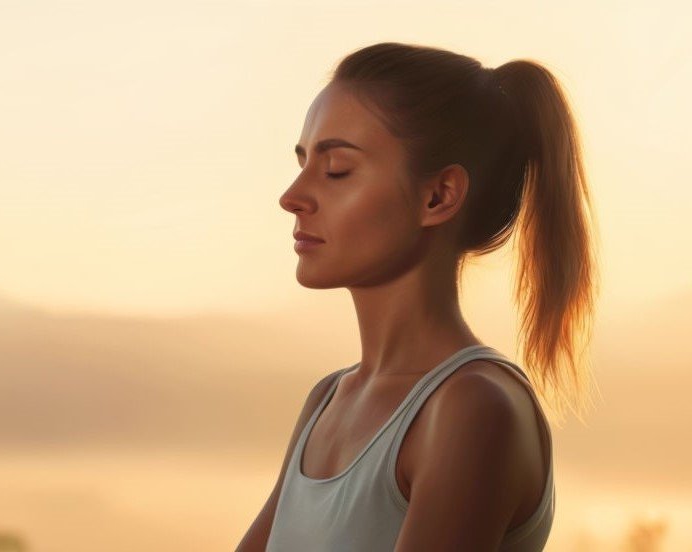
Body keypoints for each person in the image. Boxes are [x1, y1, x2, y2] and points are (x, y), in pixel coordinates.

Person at [236, 41, 600, 551]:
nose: (292, 196)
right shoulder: (327, 401)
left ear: (438, 196)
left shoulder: (471, 408)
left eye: (336, 168)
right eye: (302, 163)